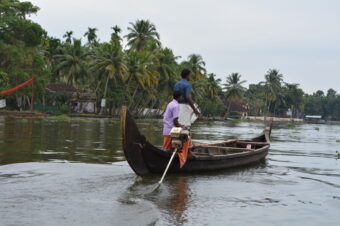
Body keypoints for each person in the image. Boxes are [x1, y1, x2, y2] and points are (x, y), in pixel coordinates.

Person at [162, 90, 193, 167]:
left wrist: (181, 126)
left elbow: (174, 121)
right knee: (188, 136)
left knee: (166, 149)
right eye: (181, 96)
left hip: (166, 130)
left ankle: (185, 152)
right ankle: (183, 156)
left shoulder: (170, 103)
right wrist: (182, 127)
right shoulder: (176, 106)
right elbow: (175, 121)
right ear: (179, 97)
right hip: (172, 131)